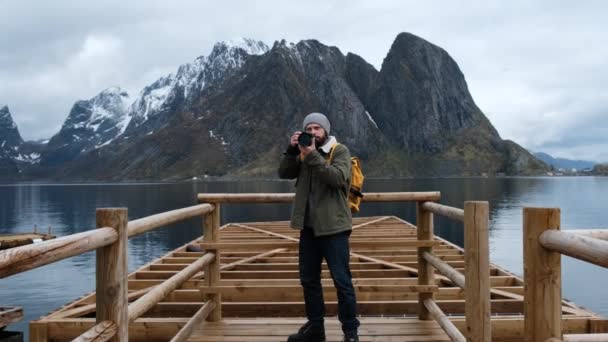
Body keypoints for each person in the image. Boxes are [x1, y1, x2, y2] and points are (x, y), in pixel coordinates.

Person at [278, 112, 360, 342]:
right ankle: (316, 329)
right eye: (309, 129)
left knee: (342, 282)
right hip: (309, 229)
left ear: (325, 131)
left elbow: (337, 178)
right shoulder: (303, 154)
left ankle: (351, 334)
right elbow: (284, 172)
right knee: (309, 280)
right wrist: (292, 150)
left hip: (335, 229)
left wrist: (312, 154)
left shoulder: (339, 151)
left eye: (317, 128)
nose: (313, 133)